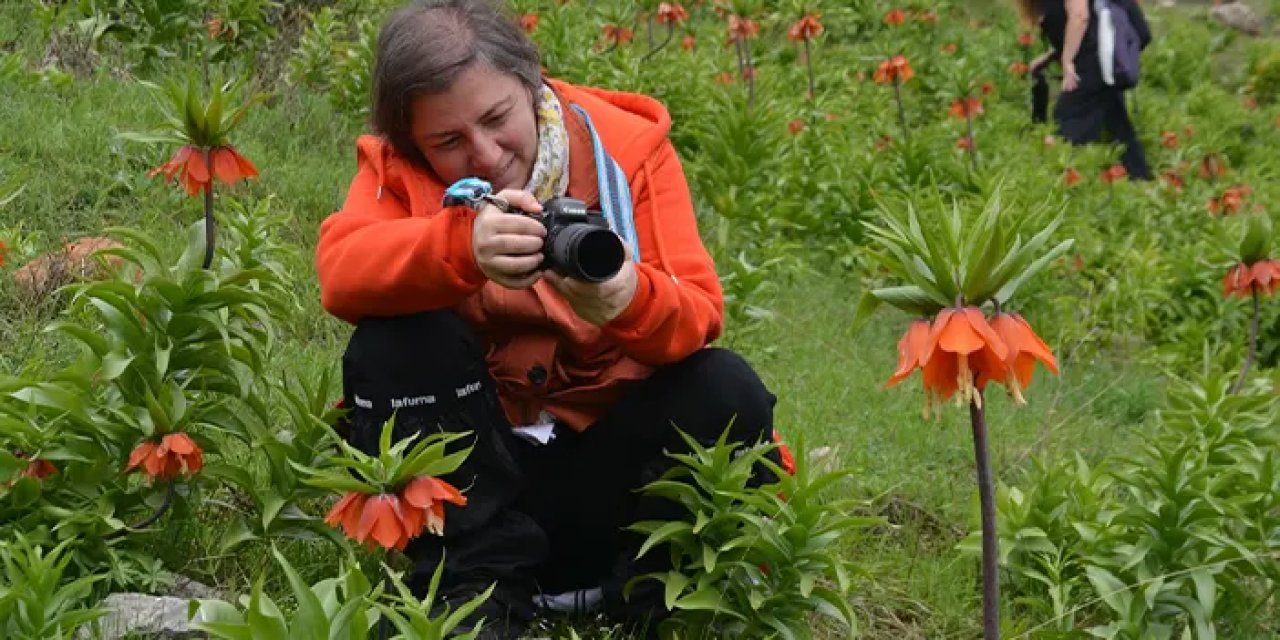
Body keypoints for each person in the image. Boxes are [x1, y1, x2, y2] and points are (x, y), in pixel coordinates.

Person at [314, 1, 782, 637]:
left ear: (531, 81)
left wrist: (627, 300)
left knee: (724, 388)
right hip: (472, 482)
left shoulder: (628, 149)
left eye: (496, 118)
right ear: (413, 140)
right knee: (396, 337)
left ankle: (645, 591)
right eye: (447, 142)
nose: (483, 153)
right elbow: (341, 273)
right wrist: (458, 248)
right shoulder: (397, 170)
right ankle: (473, 590)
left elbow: (698, 311)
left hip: (597, 475)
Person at [1020, 0, 1153, 179]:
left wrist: (1067, 60)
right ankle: (1142, 183)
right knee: (1118, 129)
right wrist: (1050, 57)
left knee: (1068, 121)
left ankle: (1061, 187)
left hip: (1092, 64)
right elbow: (1084, 25)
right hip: (1098, 63)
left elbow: (1080, 16)